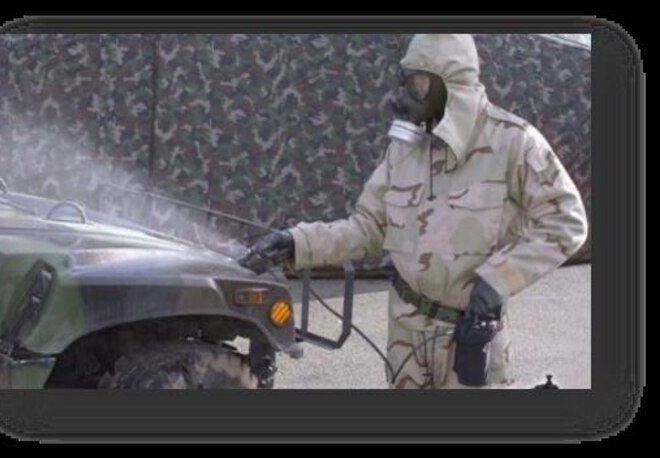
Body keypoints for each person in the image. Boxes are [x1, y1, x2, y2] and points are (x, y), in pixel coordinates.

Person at [240, 34, 588, 389]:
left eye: (415, 82)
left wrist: (498, 280)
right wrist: (298, 243)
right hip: (405, 336)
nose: (403, 95)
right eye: (404, 80)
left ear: (447, 83)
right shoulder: (406, 147)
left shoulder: (512, 142)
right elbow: (370, 227)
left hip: (468, 335)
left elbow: (565, 222)